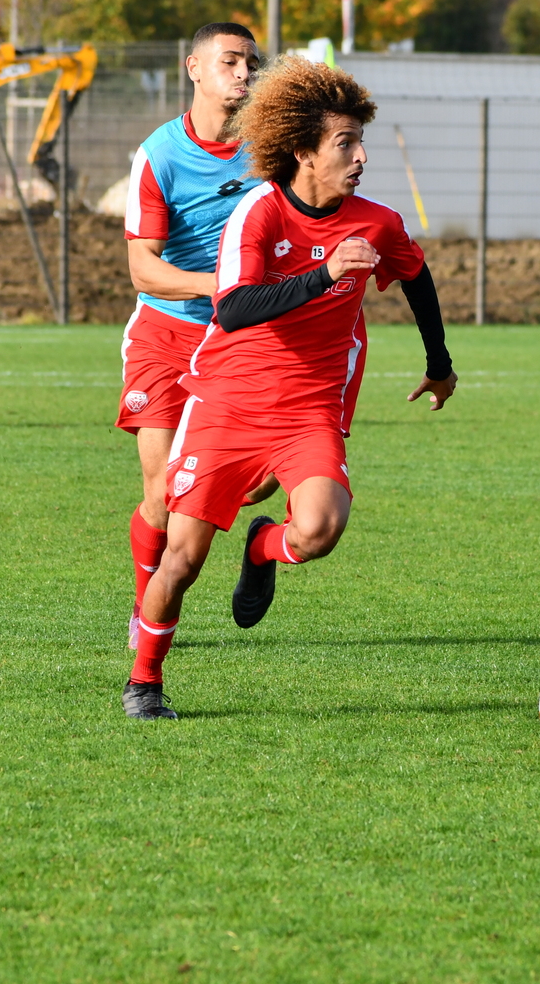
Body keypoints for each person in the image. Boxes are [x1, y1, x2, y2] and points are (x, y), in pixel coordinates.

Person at [121, 56, 458, 720]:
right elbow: (233, 308)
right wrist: (326, 274)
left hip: (308, 409)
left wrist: (439, 361)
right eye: (346, 143)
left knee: (320, 528)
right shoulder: (259, 211)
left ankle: (261, 547)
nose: (361, 157)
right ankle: (145, 680)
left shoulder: (377, 222)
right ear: (304, 151)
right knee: (182, 559)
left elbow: (415, 275)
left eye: (361, 141)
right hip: (227, 403)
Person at [119, 23, 273, 652]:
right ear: (194, 68)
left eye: (250, 63)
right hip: (166, 333)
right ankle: (146, 610)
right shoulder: (159, 155)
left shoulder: (271, 149)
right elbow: (143, 268)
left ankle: (261, 547)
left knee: (258, 483)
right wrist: (223, 284)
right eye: (230, 61)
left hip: (244, 342)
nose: (243, 73)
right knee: (162, 495)